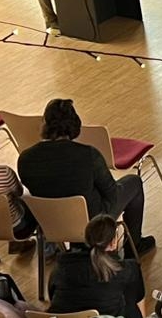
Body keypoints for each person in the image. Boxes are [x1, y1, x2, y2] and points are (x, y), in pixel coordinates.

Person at [18, 98, 154, 253]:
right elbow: (112, 194)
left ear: (44, 125)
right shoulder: (88, 154)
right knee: (134, 182)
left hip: (51, 222)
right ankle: (133, 247)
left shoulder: (25, 159)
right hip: (92, 222)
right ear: (74, 124)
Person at [48, 213, 145, 318]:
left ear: (86, 239)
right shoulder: (127, 269)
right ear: (113, 242)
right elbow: (137, 306)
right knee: (130, 297)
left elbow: (52, 295)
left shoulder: (61, 266)